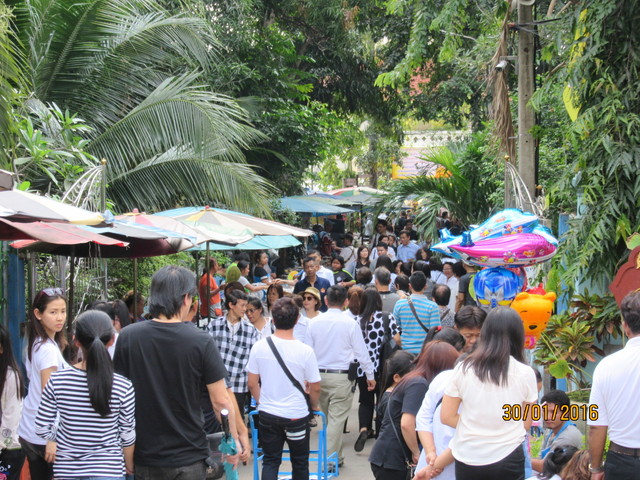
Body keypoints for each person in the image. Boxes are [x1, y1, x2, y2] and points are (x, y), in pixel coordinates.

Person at [114, 265, 241, 479]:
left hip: (146, 455)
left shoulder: (128, 337)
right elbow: (221, 402)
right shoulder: (201, 340)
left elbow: (118, 397)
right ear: (186, 299)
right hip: (190, 455)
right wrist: (233, 439)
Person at [35, 310, 135, 479]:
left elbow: (41, 427)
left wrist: (63, 437)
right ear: (112, 340)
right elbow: (127, 434)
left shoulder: (57, 381)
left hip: (67, 471)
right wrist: (129, 464)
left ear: (76, 340)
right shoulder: (123, 386)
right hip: (108, 471)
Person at [441, 306, 538, 479]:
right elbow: (526, 422)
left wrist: (476, 425)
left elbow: (447, 416)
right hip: (509, 456)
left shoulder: (463, 368)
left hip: (468, 456)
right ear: (518, 335)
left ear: (485, 333)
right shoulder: (525, 373)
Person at [247, 297, 321, 480]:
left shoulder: (259, 347)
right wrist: (314, 406)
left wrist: (262, 401)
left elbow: (252, 383)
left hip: (268, 414)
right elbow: (315, 387)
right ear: (296, 320)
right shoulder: (305, 351)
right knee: (300, 461)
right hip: (296, 414)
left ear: (272, 320)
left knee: (271, 460)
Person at [305, 285, 376, 469]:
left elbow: (307, 352)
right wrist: (370, 375)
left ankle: (337, 456)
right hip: (342, 377)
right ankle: (329, 460)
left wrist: (306, 378)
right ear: (345, 302)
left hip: (318, 376)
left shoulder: (314, 322)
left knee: (330, 419)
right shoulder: (350, 323)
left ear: (326, 301)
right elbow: (361, 352)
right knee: (335, 420)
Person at [369, 341, 459, 480]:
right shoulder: (419, 383)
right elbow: (407, 423)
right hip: (393, 458)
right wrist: (416, 452)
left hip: (388, 455)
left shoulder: (415, 379)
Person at [588, 289, 640, 480]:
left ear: (625, 326)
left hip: (621, 462)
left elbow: (596, 426)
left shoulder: (606, 366)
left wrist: (595, 468)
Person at [18, 288, 69, 480]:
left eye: (63, 311)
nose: (60, 317)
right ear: (38, 314)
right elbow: (51, 396)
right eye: (53, 312)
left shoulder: (37, 342)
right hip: (43, 435)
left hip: (32, 427)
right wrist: (52, 438)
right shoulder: (47, 350)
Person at [354, 288, 401, 452]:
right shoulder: (386, 317)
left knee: (365, 400)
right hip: (383, 367)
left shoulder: (356, 320)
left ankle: (364, 429)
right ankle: (381, 431)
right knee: (381, 399)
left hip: (362, 368)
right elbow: (397, 339)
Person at [207, 289, 260, 418]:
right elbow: (206, 355)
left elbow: (254, 359)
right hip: (216, 383)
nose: (245, 309)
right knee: (214, 420)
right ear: (231, 305)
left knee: (236, 420)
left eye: (246, 306)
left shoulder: (251, 331)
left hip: (238, 385)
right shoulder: (214, 326)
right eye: (242, 305)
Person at [531, 390, 583, 473]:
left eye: (553, 412)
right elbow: (540, 458)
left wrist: (520, 459)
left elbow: (546, 466)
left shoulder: (568, 436)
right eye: (545, 411)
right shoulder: (550, 432)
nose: (548, 417)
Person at [392, 272, 440, 355]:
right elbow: (435, 331)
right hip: (424, 352)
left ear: (410, 286)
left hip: (405, 351)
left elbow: (395, 327)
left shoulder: (400, 304)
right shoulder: (432, 306)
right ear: (425, 286)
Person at [0, 324, 25, 480]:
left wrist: (2, 444)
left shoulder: (10, 376)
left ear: (2, 348)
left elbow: (11, 418)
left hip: (7, 448)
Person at [375, 350, 415, 437]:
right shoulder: (392, 400)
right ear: (397, 377)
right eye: (412, 375)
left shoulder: (393, 395)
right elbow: (403, 427)